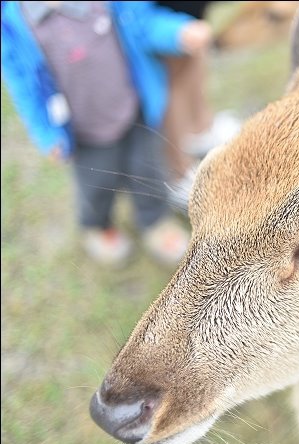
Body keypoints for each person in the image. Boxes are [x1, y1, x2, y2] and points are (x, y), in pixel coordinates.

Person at [1, 1, 208, 267]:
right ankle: (98, 225)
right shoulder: (12, 25)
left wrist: (177, 32)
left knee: (148, 172)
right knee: (96, 186)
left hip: (134, 110)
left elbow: (144, 23)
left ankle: (155, 220)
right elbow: (25, 86)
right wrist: (46, 135)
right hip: (85, 133)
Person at [154, 1, 242, 211]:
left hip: (190, 11)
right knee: (171, 74)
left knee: (195, 49)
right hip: (164, 13)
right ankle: (179, 171)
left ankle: (200, 128)